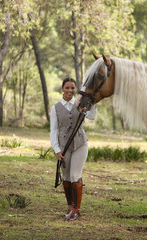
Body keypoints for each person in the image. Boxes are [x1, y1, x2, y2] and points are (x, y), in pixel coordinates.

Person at [50, 77, 96, 221]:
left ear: (76, 89)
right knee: (66, 178)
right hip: (64, 146)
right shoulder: (55, 107)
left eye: (73, 88)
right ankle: (70, 207)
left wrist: (93, 102)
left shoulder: (79, 103)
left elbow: (92, 116)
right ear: (62, 89)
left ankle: (76, 210)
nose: (70, 90)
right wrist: (57, 150)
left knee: (75, 176)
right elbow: (53, 130)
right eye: (67, 88)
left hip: (80, 144)